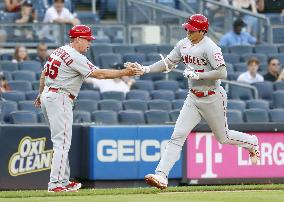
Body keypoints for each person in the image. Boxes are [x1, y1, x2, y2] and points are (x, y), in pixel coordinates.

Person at [128, 14, 260, 190]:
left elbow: (222, 73)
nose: (187, 30)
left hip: (212, 96)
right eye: (187, 28)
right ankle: (161, 175)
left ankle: (252, 142)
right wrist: (146, 69)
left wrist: (199, 75)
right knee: (177, 136)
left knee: (223, 137)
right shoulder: (183, 44)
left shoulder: (210, 47)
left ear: (202, 31)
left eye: (191, 29)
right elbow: (168, 63)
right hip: (193, 97)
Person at [33, 25, 141, 192]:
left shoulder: (59, 50)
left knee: (62, 142)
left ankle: (63, 180)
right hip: (60, 97)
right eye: (87, 40)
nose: (89, 43)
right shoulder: (76, 56)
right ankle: (55, 184)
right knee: (61, 143)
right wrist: (124, 72)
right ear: (77, 39)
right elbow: (100, 74)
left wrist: (40, 94)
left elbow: (43, 75)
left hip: (49, 94)